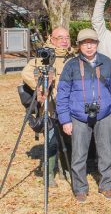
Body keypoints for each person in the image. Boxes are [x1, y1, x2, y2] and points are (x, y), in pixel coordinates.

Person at [56, 29, 111, 203]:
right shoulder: (71, 65)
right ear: (79, 45)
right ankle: (80, 188)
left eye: (92, 42)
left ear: (97, 44)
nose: (89, 46)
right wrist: (65, 119)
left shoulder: (107, 63)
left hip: (104, 114)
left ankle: (106, 185)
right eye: (85, 43)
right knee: (79, 153)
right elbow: (62, 94)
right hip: (78, 115)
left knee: (106, 151)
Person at [21, 27, 74, 186]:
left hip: (70, 109)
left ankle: (67, 170)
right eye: (60, 37)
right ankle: (49, 173)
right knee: (51, 141)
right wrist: (40, 89)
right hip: (50, 109)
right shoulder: (44, 56)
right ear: (52, 39)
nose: (64, 41)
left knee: (69, 140)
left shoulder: (73, 57)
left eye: (67, 37)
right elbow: (26, 73)